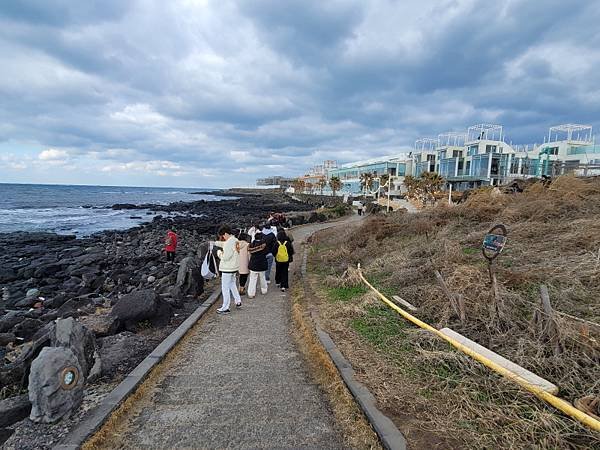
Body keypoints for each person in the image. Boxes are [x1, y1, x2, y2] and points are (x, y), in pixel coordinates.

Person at [213, 224, 242, 314]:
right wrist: (215, 243)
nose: (223, 238)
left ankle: (225, 307)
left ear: (225, 234)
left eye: (222, 236)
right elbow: (225, 244)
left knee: (225, 287)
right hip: (234, 267)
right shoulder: (235, 240)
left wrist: (218, 252)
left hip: (227, 268)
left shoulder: (229, 242)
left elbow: (225, 257)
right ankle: (238, 301)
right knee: (232, 284)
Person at [247, 230, 268, 298]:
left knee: (252, 279)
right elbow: (266, 252)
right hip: (262, 264)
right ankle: (264, 290)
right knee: (262, 278)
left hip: (253, 264)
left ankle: (251, 293)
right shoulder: (263, 245)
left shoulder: (251, 245)